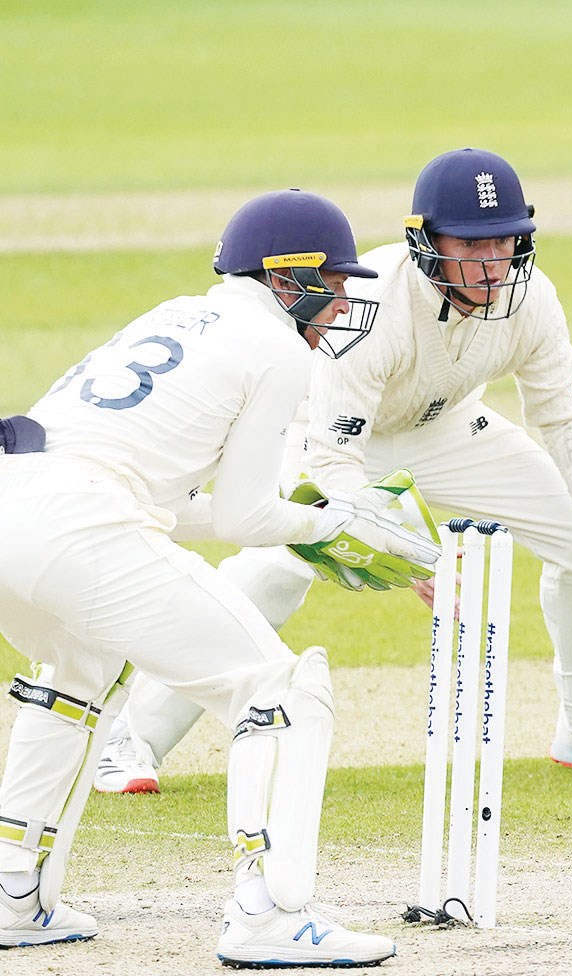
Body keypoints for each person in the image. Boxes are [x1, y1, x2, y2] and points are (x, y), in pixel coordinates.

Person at [92, 148, 572, 796]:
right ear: (427, 242)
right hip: (334, 438)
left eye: (504, 241)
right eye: (471, 244)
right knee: (278, 565)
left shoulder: (532, 298)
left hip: (448, 429)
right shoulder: (371, 305)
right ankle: (128, 735)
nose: (492, 263)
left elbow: (564, 414)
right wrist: (399, 551)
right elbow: (335, 458)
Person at [0, 190, 437, 964]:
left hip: (16, 506)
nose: (343, 305)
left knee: (77, 671)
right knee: (276, 687)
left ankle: (13, 896)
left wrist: (308, 519)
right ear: (287, 277)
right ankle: (269, 917)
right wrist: (331, 524)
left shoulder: (177, 314)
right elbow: (245, 518)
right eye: (335, 284)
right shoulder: (277, 349)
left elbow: (175, 504)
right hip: (81, 519)